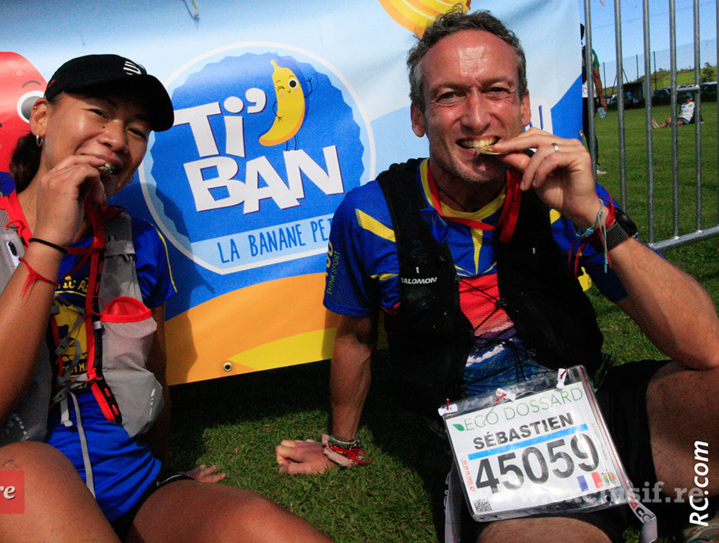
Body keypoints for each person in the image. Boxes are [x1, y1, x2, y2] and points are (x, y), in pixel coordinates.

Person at [275, 10, 719, 543]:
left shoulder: (563, 194)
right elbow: (355, 336)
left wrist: (592, 215)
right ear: (418, 117)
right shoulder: (370, 215)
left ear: (525, 106)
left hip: (596, 402)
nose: (477, 117)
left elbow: (706, 347)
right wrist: (341, 443)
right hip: (497, 447)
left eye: (497, 91)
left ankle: (691, 511)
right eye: (450, 96)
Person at [0, 54, 331, 543]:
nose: (116, 137)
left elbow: (154, 378)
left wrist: (164, 483)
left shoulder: (141, 242)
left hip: (128, 488)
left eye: (137, 128)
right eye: (99, 112)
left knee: (268, 531)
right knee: (35, 468)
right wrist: (48, 242)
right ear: (42, 118)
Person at [581, 24, 608, 175]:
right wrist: (601, 98)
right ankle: (595, 165)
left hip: (572, 98)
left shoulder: (566, 50)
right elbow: (596, 76)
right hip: (588, 96)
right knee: (590, 131)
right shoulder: (589, 52)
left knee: (572, 130)